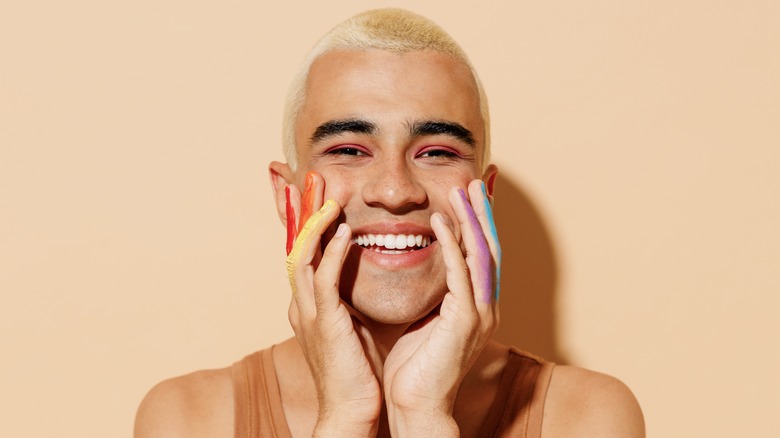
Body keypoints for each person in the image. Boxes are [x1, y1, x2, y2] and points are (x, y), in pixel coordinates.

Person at [134, 8, 644, 437]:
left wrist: (423, 416)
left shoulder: (586, 417)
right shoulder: (189, 418)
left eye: (438, 152)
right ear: (288, 199)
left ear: (484, 197)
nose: (396, 190)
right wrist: (346, 416)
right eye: (350, 150)